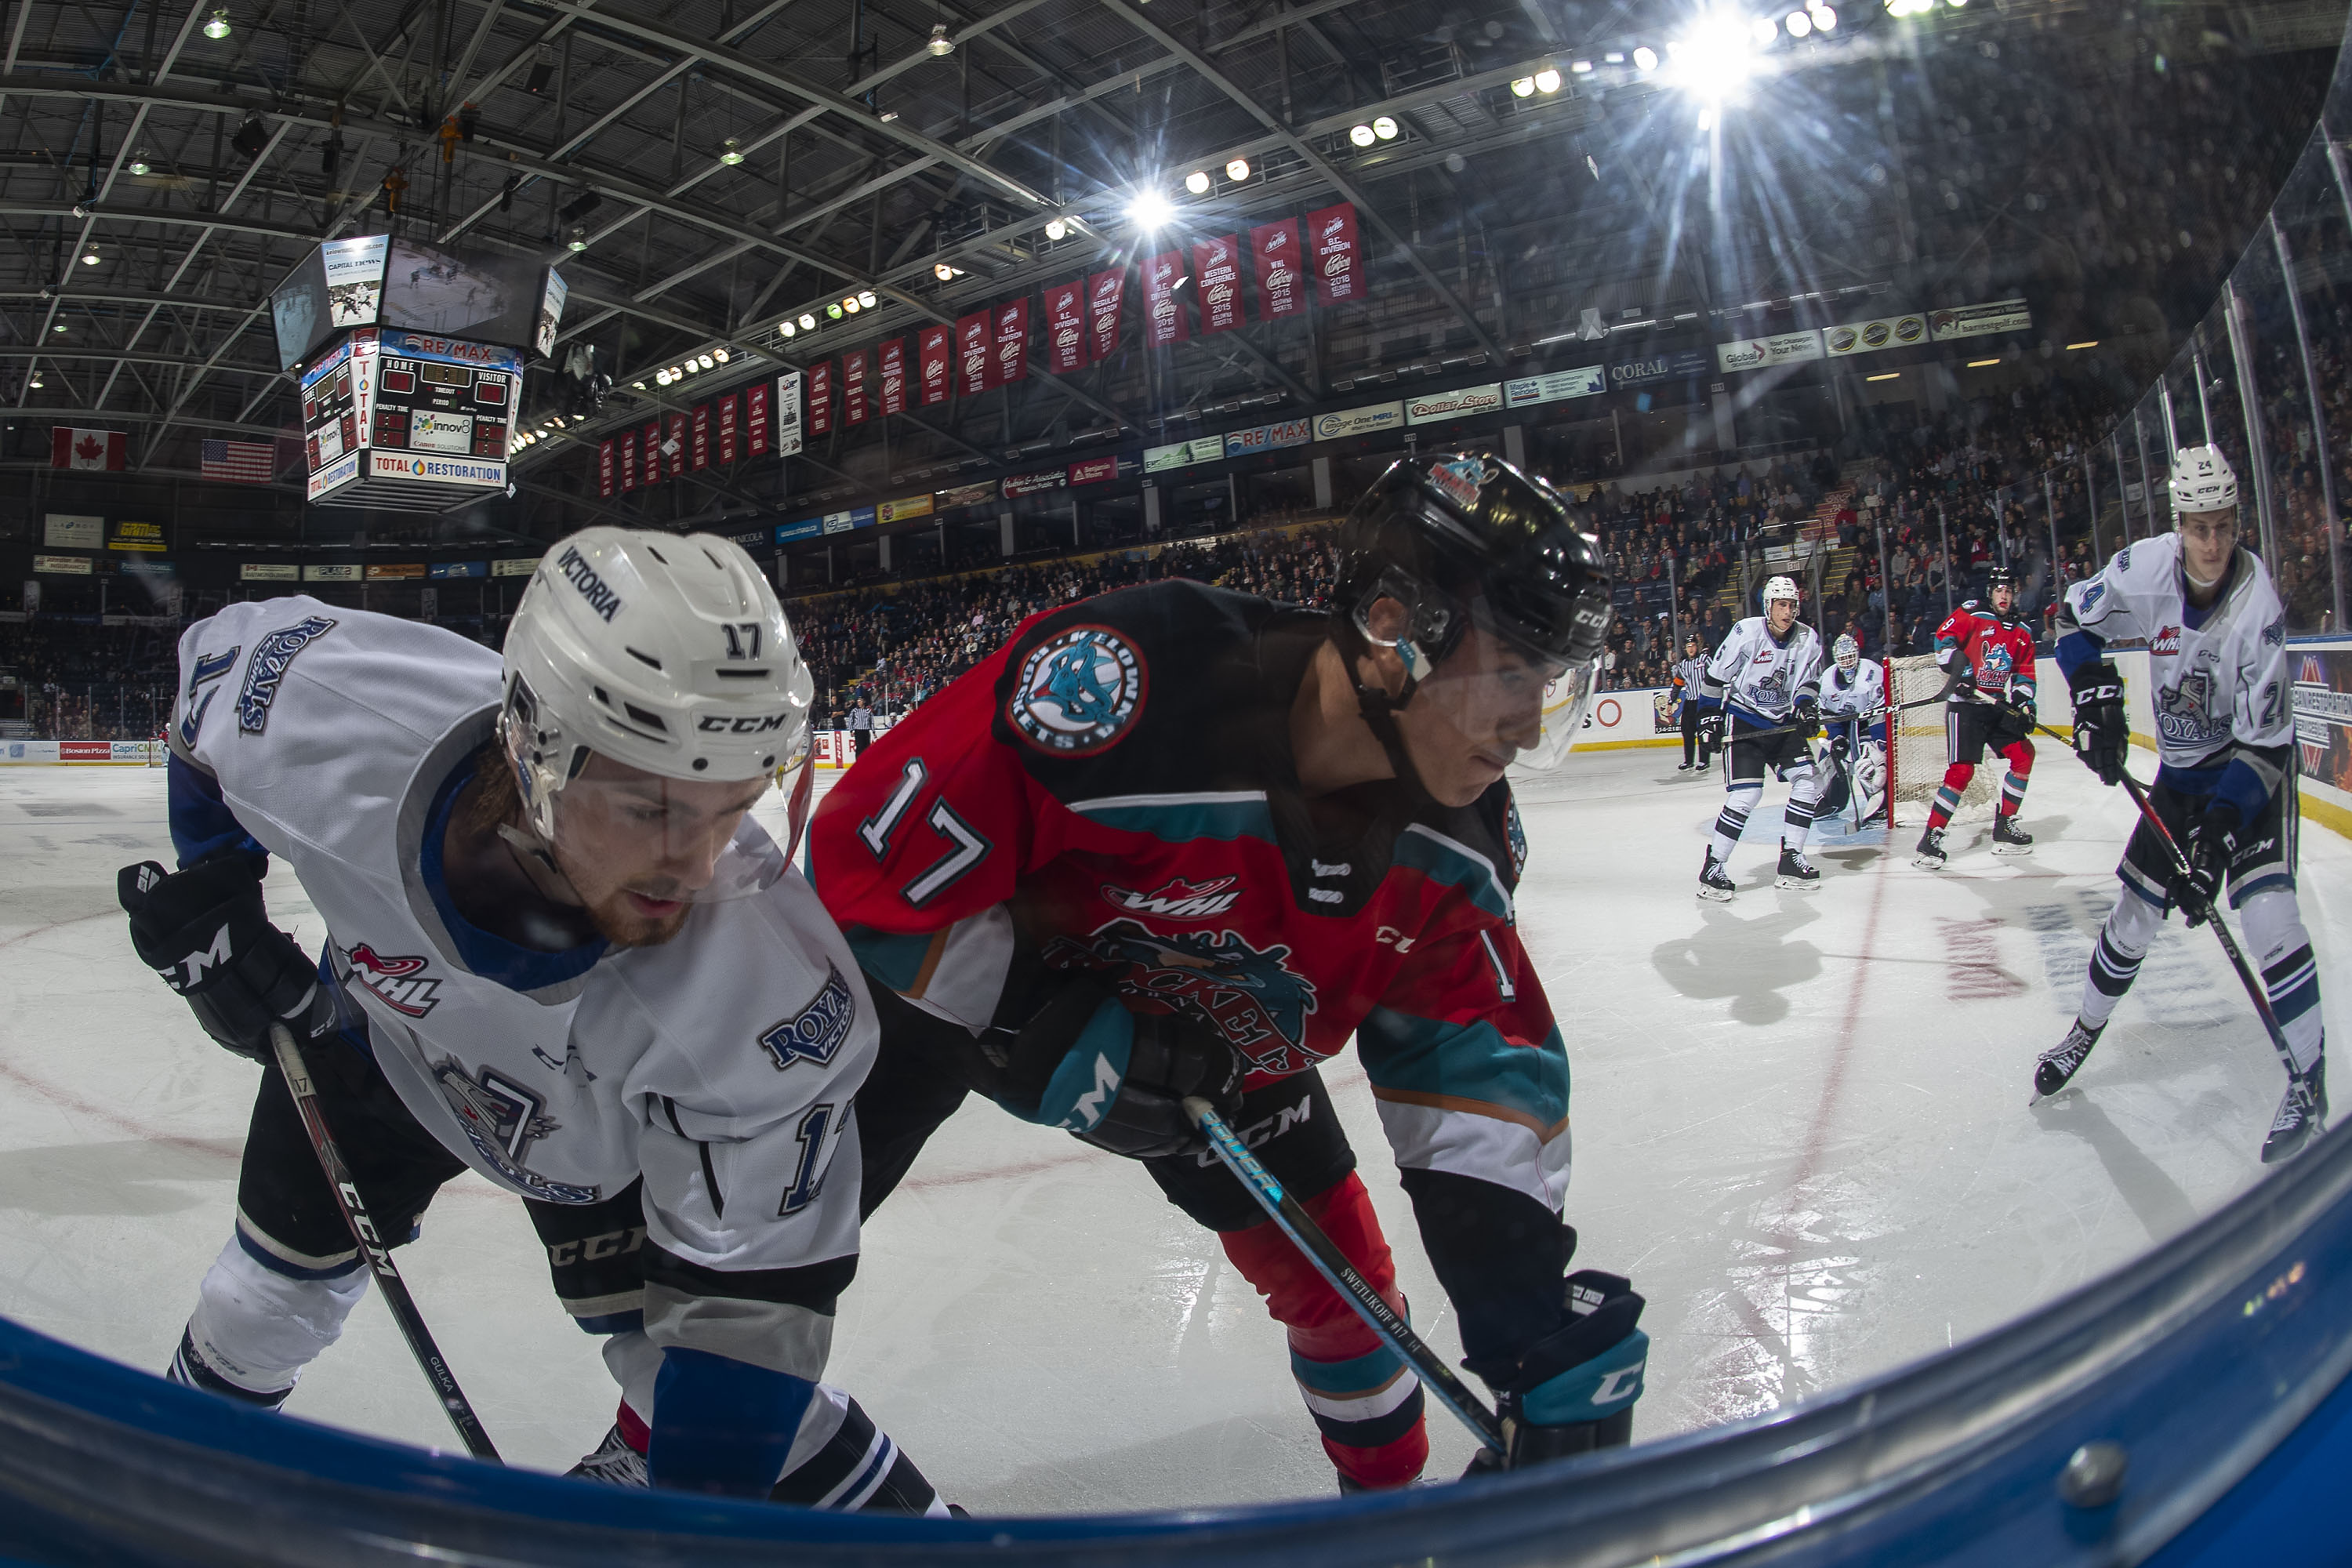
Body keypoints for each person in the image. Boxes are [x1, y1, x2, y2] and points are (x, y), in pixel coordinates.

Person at [808, 453, 1650, 1490]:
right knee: (786, 1222)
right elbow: (867, 860)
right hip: (962, 996)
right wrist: (1026, 1020)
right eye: (1513, 671)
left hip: (1218, 1046)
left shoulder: (1460, 847)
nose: (1528, 724)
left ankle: (1384, 1526)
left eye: (1551, 683)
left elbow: (1469, 1063)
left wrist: (1526, 1316)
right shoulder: (1130, 683)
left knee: (1347, 1299)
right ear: (1393, 627)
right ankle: (666, 1431)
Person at [121, 529, 949, 1509]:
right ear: (536, 744)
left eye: (732, 810)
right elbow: (212, 679)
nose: (696, 866)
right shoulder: (336, 708)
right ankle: (157, 1491)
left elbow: (748, 1341)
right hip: (385, 1041)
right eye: (652, 808)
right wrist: (220, 883)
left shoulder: (760, 996)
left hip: (607, 1133)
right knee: (252, 1307)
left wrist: (682, 1533)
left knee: (686, 1381)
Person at [2039, 446, 2327, 1163]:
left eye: (2225, 525)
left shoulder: (2259, 608)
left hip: (2245, 777)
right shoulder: (2144, 568)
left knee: (2266, 915)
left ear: (2237, 522)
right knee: (2133, 918)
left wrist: (2218, 842)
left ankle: (2309, 1078)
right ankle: (2084, 1030)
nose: (2213, 543)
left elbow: (2266, 750)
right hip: (2180, 776)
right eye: (2199, 527)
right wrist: (2094, 695)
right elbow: (2072, 620)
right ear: (2179, 524)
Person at [1693, 575, 1826, 898]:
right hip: (1745, 722)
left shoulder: (1808, 639)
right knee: (1747, 795)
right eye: (1781, 604)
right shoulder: (1747, 632)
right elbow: (1714, 677)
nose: (1788, 611)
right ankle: (1714, 867)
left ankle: (1791, 858)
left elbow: (1809, 683)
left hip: (1781, 723)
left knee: (1808, 780)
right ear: (1768, 606)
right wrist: (1708, 719)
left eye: (1792, 604)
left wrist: (1807, 708)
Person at [1913, 564, 2038, 869]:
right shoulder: (1973, 614)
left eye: (2009, 591)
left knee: (2024, 755)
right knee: (1962, 772)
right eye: (1999, 591)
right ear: (1990, 593)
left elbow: (2024, 673)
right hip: (1965, 705)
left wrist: (2025, 706)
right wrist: (1963, 671)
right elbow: (1943, 640)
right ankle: (1930, 838)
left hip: (1995, 705)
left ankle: (2005, 826)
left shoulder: (2022, 632)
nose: (2004, 596)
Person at [1814, 633, 1886, 826]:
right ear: (1837, 659)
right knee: (1829, 759)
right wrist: (1837, 738)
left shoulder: (1872, 673)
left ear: (1858, 654)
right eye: (1843, 659)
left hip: (1869, 723)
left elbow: (1880, 715)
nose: (1848, 663)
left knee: (1868, 760)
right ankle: (1833, 801)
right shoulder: (1827, 681)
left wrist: (1880, 744)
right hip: (1844, 725)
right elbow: (1829, 714)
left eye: (1850, 657)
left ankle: (1882, 803)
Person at [1671, 633, 1711, 772]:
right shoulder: (1683, 665)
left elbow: (1713, 676)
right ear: (1685, 649)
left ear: (1697, 646)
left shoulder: (1705, 660)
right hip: (1690, 702)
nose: (1691, 649)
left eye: (1693, 645)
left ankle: (1704, 761)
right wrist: (1672, 700)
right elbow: (1677, 684)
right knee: (1687, 731)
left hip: (1703, 701)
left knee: (1703, 731)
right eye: (1688, 646)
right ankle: (1688, 761)